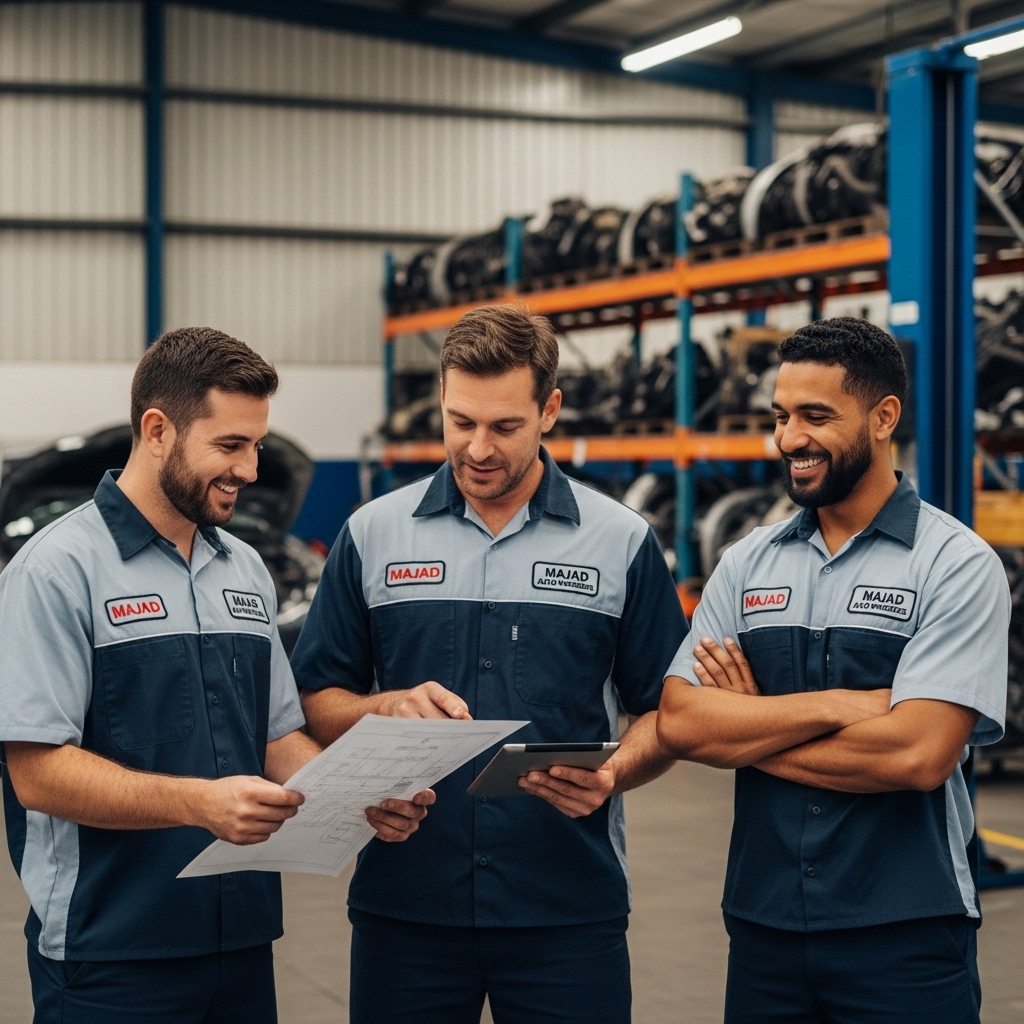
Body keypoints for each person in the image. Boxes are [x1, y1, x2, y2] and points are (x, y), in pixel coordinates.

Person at [0, 328, 428, 1024]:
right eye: (230, 446)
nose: (251, 469)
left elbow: (276, 736)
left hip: (240, 941)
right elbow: (37, 774)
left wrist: (357, 799)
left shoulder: (244, 571)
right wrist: (199, 803)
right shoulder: (56, 571)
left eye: (257, 445)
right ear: (158, 430)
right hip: (111, 955)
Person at [291, 303, 688, 1024]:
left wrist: (615, 772)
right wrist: (378, 709)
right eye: (459, 421)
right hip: (405, 906)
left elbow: (667, 710)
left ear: (550, 411)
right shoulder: (371, 535)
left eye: (504, 426)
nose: (477, 448)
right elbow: (318, 694)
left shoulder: (622, 542)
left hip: (567, 907)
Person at [657, 317, 1010, 1024]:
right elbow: (682, 723)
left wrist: (750, 729)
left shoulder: (955, 564)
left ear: (883, 419)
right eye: (782, 416)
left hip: (904, 934)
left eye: (816, 416)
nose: (790, 438)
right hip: (763, 928)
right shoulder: (746, 562)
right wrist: (842, 706)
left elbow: (917, 753)